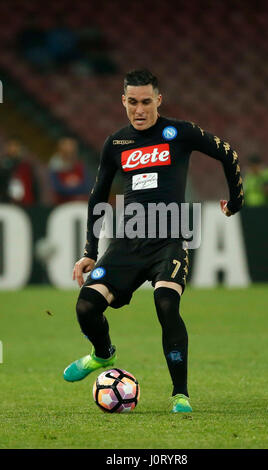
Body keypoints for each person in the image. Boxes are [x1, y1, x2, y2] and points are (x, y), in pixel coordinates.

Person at [63, 69, 244, 413]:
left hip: (170, 240)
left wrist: (236, 202)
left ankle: (180, 394)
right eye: (132, 102)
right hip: (128, 242)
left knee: (166, 304)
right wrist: (89, 250)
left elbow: (228, 154)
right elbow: (98, 195)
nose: (140, 110)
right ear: (123, 101)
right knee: (86, 306)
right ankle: (102, 354)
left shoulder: (181, 132)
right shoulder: (116, 143)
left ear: (158, 100)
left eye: (146, 102)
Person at [48, 137, 92, 204]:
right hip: (61, 206)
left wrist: (70, 187)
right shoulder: (54, 168)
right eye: (67, 151)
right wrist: (74, 187)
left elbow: (87, 186)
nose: (70, 154)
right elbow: (57, 188)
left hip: (80, 204)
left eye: (72, 151)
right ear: (61, 151)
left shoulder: (80, 166)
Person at [0, 136, 40, 205]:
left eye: (16, 146)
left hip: (25, 203)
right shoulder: (3, 165)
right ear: (6, 148)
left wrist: (35, 202)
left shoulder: (26, 166)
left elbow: (33, 185)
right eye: (11, 146)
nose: (13, 148)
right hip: (6, 203)